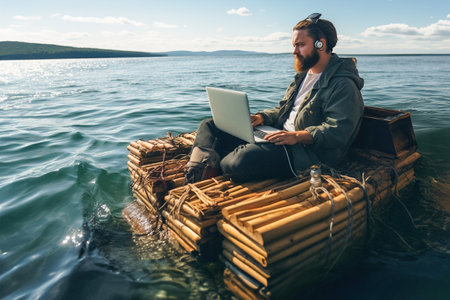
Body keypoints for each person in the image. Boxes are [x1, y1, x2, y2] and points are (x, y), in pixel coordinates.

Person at [185, 13, 364, 183]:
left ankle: (214, 162)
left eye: (300, 45)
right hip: (279, 137)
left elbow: (338, 130)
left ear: (321, 44)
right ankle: (197, 171)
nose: (294, 51)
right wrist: (262, 118)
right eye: (294, 45)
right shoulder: (303, 76)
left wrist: (298, 136)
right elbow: (284, 110)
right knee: (210, 124)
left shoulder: (343, 85)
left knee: (240, 160)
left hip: (304, 153)